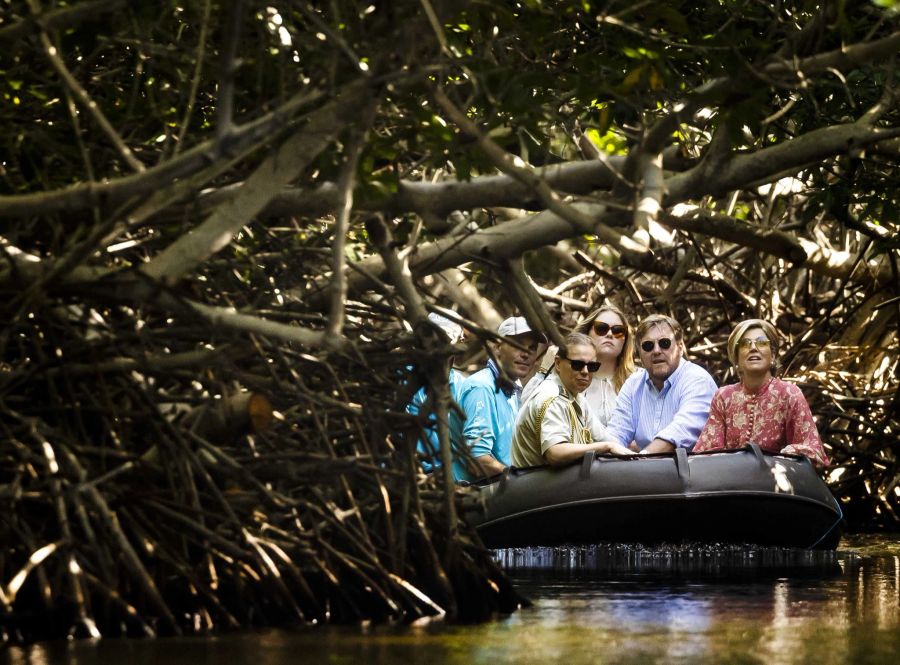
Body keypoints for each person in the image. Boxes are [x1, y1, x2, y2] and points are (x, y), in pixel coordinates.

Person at [693, 319, 829, 468]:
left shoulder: (789, 394)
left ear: (773, 355)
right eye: (745, 344)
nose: (753, 348)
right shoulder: (723, 396)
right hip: (731, 483)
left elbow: (814, 452)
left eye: (762, 342)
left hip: (775, 486)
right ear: (736, 358)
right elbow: (705, 454)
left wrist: (780, 459)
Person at [512, 333, 633, 467]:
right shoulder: (552, 397)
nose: (585, 371)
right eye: (577, 364)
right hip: (531, 484)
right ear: (558, 363)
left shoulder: (575, 396)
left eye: (592, 366)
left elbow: (604, 438)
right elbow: (556, 453)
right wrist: (606, 447)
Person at [603, 313, 717, 453]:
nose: (656, 351)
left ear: (680, 347)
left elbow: (681, 431)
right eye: (648, 346)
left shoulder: (697, 380)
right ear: (639, 353)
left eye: (664, 343)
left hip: (691, 470)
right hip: (643, 469)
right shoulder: (633, 384)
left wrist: (642, 458)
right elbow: (616, 433)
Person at [450, 316, 543, 482]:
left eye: (532, 348)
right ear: (497, 347)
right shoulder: (482, 388)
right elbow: (477, 461)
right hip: (478, 493)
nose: (526, 354)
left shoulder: (513, 388)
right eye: (518, 346)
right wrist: (521, 479)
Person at [521, 304, 636, 426]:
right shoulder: (564, 374)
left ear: (626, 339)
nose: (609, 334)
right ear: (587, 333)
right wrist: (545, 371)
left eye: (618, 331)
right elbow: (525, 412)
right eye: (601, 328)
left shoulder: (638, 380)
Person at [406, 313, 466, 472]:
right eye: (433, 337)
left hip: (451, 476)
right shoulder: (404, 376)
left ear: (460, 341)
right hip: (411, 472)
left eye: (445, 338)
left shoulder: (462, 385)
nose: (438, 344)